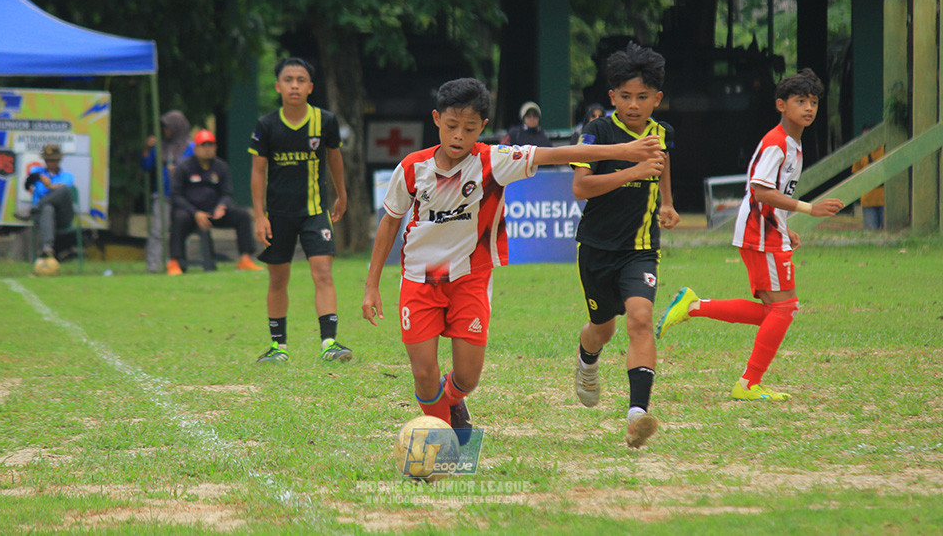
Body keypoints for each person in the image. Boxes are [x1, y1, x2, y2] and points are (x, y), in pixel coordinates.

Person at [361, 77, 663, 444]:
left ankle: (452, 399)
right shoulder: (412, 168)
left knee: (467, 378)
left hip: (470, 278)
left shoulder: (494, 161)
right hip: (419, 281)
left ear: (483, 128)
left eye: (470, 129)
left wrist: (627, 151)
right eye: (452, 126)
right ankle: (446, 444)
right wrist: (372, 284)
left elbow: (559, 154)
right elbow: (390, 221)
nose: (459, 136)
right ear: (436, 119)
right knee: (423, 371)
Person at [656, 68, 844, 401]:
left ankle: (694, 306)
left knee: (777, 310)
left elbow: (773, 192)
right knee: (784, 309)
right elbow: (759, 190)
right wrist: (807, 209)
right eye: (800, 101)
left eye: (813, 101)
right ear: (781, 105)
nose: (809, 108)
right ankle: (747, 384)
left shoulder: (794, 145)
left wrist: (786, 228)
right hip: (760, 232)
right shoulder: (776, 143)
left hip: (768, 231)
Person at [570, 42, 679, 449]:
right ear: (612, 97)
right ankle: (586, 358)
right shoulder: (597, 132)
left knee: (640, 317)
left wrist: (666, 202)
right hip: (597, 247)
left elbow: (661, 163)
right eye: (626, 97)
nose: (634, 105)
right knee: (603, 328)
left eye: (643, 97)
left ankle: (637, 415)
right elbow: (581, 187)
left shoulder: (662, 133)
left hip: (641, 247)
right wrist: (632, 169)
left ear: (657, 99)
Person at [250, 57, 351, 364]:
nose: (295, 85)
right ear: (278, 86)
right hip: (278, 214)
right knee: (278, 279)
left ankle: (329, 343)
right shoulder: (266, 125)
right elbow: (257, 172)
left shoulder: (325, 121)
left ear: (310, 87)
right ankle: (278, 347)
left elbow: (334, 159)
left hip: (315, 211)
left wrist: (342, 195)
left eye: (301, 80)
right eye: (289, 79)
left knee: (323, 273)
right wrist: (259, 215)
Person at [167, 129, 262, 275]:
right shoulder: (184, 167)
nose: (207, 149)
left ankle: (245, 258)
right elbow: (176, 195)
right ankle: (175, 261)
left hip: (214, 212)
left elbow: (227, 192)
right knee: (179, 217)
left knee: (242, 215)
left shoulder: (221, 166)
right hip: (191, 213)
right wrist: (195, 213)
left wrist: (222, 206)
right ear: (196, 148)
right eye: (203, 145)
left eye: (210, 145)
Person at [141, 110, 195, 272]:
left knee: (180, 230)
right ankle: (153, 267)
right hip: (163, 194)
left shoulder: (191, 147)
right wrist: (146, 149)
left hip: (185, 196)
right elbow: (146, 166)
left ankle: (178, 264)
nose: (165, 131)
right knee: (158, 231)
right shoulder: (160, 147)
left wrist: (179, 171)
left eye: (167, 127)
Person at [23, 144, 75, 259]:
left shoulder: (67, 176)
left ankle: (34, 209)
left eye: (54, 160)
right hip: (42, 216)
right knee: (48, 208)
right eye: (48, 160)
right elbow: (28, 182)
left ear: (59, 160)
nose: (51, 163)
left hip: (62, 216)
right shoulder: (37, 172)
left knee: (63, 191)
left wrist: (49, 186)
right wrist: (39, 177)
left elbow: (62, 190)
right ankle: (47, 247)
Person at [851, 125, 884, 230]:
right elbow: (856, 174)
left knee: (889, 233)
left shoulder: (885, 148)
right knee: (870, 234)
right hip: (868, 199)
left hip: (886, 198)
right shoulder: (861, 152)